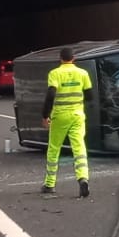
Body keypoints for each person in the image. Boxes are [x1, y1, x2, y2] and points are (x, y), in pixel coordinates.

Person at [41, 46, 94, 198]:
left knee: (54, 149)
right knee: (79, 148)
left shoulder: (55, 73)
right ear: (74, 58)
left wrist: (45, 115)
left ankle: (50, 184)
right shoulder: (83, 73)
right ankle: (83, 178)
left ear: (60, 58)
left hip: (60, 116)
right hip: (77, 115)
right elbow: (90, 96)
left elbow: (51, 95)